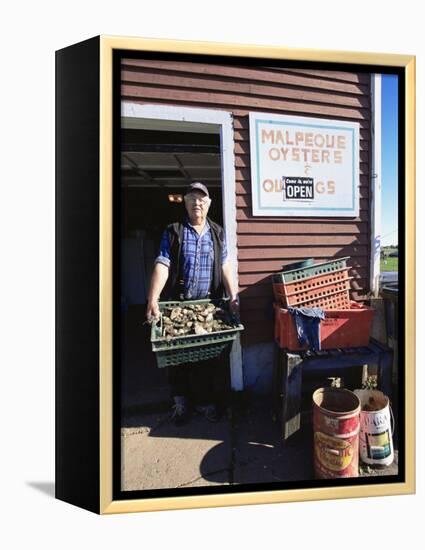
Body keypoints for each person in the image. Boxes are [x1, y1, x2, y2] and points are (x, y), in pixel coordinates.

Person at [146, 182, 239, 426]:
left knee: (208, 361)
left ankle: (205, 403)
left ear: (208, 204)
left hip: (209, 307)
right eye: (192, 199)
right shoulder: (174, 231)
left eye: (202, 199)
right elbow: (162, 264)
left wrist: (233, 296)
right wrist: (153, 298)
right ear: (185, 203)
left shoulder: (218, 233)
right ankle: (181, 403)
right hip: (179, 305)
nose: (197, 203)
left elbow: (225, 266)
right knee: (177, 359)